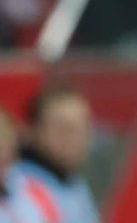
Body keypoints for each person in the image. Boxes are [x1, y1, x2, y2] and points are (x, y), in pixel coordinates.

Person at [13, 86, 100, 223]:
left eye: (83, 128)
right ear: (33, 130)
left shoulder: (76, 186)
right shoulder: (14, 186)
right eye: (63, 128)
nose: (75, 138)